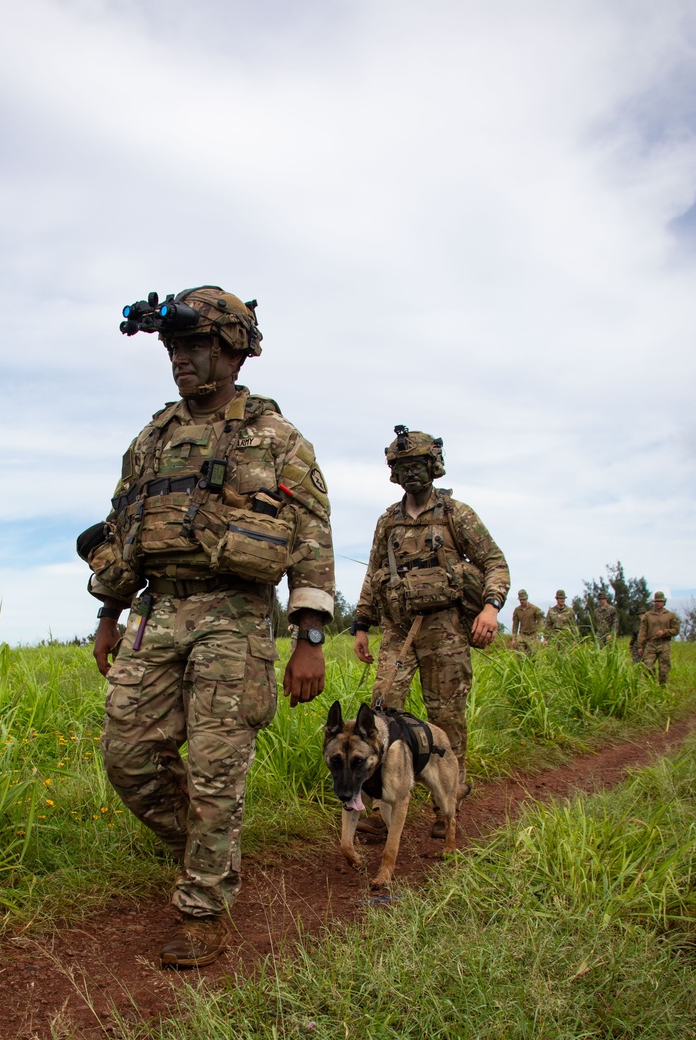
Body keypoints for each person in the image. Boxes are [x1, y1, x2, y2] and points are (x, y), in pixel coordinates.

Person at [86, 287, 334, 968]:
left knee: (219, 767)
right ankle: (210, 848)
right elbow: (125, 529)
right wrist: (109, 614)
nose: (181, 361)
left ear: (231, 352)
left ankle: (204, 907)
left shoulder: (278, 439)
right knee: (127, 756)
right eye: (173, 349)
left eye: (194, 347)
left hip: (236, 614)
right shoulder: (152, 439)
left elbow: (312, 541)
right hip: (157, 611)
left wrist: (308, 640)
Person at [353, 427, 509, 796]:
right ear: (395, 472)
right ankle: (381, 799)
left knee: (446, 717)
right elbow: (373, 574)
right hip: (398, 632)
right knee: (381, 714)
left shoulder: (456, 514)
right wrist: (361, 624)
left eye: (418, 464)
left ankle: (450, 797)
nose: (411, 473)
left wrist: (490, 608)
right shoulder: (388, 521)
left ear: (433, 465)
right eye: (403, 466)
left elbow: (495, 562)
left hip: (445, 631)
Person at [637, 591, 680, 684]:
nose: (657, 603)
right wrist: (640, 646)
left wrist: (664, 632)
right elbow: (643, 631)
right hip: (651, 644)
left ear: (664, 602)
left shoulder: (670, 615)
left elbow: (676, 630)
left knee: (664, 670)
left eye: (660, 601)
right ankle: (652, 685)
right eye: (656, 601)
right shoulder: (648, 615)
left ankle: (662, 689)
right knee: (647, 666)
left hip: (664, 644)